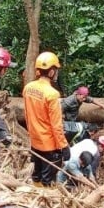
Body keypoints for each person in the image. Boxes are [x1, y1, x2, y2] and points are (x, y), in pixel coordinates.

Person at [23, 52, 70, 187]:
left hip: (35, 141)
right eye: (55, 70)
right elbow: (56, 125)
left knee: (36, 176)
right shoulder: (52, 94)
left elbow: (27, 115)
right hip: (49, 145)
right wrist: (64, 145)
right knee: (47, 181)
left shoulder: (28, 88)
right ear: (51, 72)